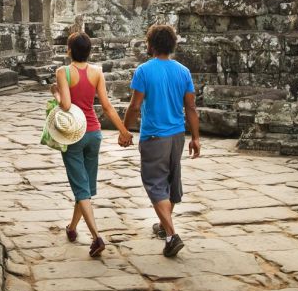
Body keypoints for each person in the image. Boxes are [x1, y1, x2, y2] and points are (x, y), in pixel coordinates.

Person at [123, 24, 200, 257]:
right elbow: (191, 107)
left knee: (156, 185)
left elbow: (135, 106)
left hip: (154, 136)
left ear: (151, 45)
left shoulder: (144, 71)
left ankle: (171, 234)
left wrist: (124, 129)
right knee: (169, 182)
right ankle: (164, 225)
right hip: (177, 135)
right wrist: (195, 137)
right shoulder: (183, 71)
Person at [53, 32, 133, 258]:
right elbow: (106, 106)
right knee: (85, 186)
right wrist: (123, 130)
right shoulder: (97, 72)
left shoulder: (64, 72)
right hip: (94, 133)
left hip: (74, 135)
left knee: (81, 188)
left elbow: (66, 105)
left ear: (68, 50)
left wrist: (57, 94)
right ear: (90, 51)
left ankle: (96, 236)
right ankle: (72, 227)